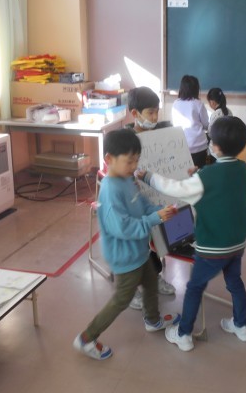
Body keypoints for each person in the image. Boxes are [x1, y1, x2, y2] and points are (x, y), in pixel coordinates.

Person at [136, 116, 246, 352]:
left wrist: (147, 176)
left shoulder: (205, 178)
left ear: (215, 146)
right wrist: (199, 173)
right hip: (236, 244)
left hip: (212, 247)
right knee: (235, 282)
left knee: (195, 288)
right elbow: (221, 183)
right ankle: (242, 326)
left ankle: (184, 334)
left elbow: (175, 188)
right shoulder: (241, 168)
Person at [73, 129, 180, 360]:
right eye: (129, 161)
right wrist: (154, 219)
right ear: (109, 159)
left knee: (151, 283)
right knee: (122, 299)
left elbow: (142, 204)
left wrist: (159, 211)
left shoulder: (127, 180)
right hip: (124, 258)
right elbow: (123, 228)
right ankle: (87, 338)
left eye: (136, 160)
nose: (134, 166)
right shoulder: (110, 191)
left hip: (140, 252)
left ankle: (152, 320)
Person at [124, 86, 176, 309]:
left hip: (154, 200)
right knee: (136, 246)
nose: (155, 117)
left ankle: (154, 277)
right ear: (135, 113)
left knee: (154, 241)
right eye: (150, 112)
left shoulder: (161, 136)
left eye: (157, 112)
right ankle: (131, 289)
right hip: (132, 203)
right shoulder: (125, 140)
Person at [171, 75, 209, 168]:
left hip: (181, 145)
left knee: (184, 172)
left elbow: (174, 124)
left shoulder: (175, 103)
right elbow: (205, 124)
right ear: (196, 89)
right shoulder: (198, 104)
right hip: (199, 146)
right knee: (198, 172)